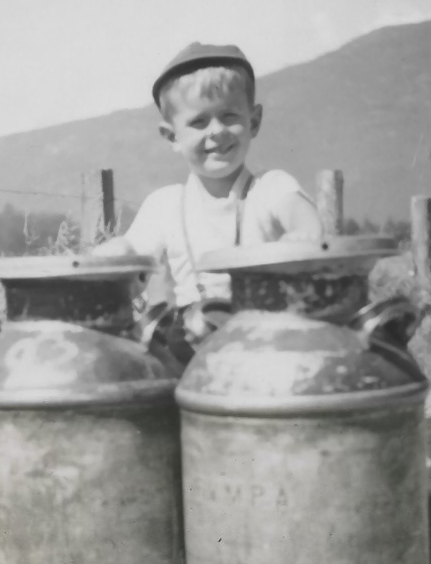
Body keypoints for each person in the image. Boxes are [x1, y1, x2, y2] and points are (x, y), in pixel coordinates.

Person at [96, 41, 322, 361]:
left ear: (253, 121)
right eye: (199, 122)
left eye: (229, 116)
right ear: (172, 135)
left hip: (267, 340)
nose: (216, 132)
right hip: (190, 345)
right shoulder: (165, 205)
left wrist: (304, 235)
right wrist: (117, 252)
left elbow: (302, 218)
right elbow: (133, 253)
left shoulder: (270, 189)